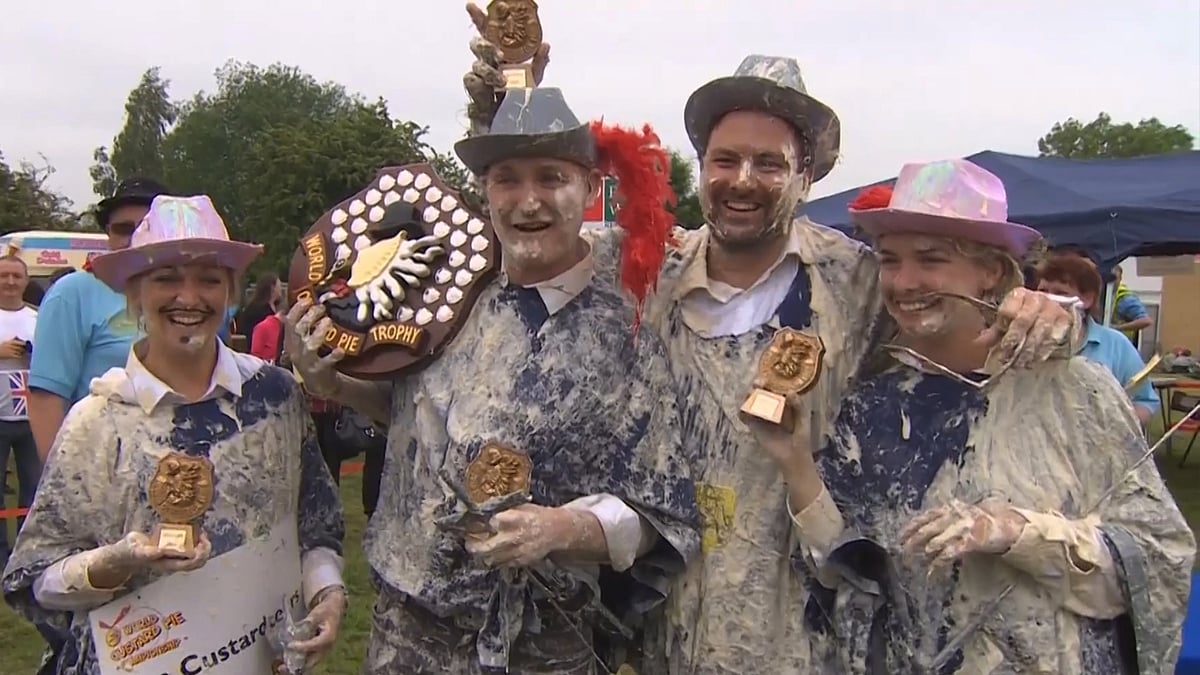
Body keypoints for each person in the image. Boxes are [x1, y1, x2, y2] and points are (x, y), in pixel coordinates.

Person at [462, 39, 1084, 673]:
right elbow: (533, 227)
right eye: (725, 159)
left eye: (770, 163)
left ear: (806, 174)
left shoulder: (860, 284)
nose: (743, 180)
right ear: (700, 166)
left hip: (805, 630)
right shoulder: (644, 271)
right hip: (666, 620)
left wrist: (1054, 316)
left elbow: (959, 317)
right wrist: (513, 101)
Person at [286, 87, 700, 674]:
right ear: (485, 191)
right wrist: (332, 384)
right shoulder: (444, 297)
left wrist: (560, 528)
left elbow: (661, 513)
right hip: (409, 633)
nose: (528, 200)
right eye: (508, 178)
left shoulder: (631, 325)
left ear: (587, 188)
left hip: (541, 644)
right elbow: (410, 416)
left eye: (550, 177)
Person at [762, 159, 1194, 673]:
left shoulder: (1077, 393)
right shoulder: (872, 404)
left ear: (990, 270)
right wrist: (795, 463)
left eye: (931, 259)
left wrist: (1016, 532)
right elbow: (845, 567)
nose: (904, 281)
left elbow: (1161, 558)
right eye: (891, 259)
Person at [2, 195, 348, 674]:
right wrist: (117, 560)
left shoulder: (275, 397)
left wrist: (327, 596)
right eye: (166, 278)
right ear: (135, 294)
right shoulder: (96, 423)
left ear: (229, 291)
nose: (189, 297)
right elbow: (37, 579)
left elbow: (317, 527)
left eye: (208, 279)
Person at [27, 178, 170, 461]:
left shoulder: (189, 295)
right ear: (108, 234)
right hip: (100, 468)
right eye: (122, 229)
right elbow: (46, 398)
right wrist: (64, 484)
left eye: (146, 228)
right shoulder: (73, 293)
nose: (134, 238)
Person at [1038, 253, 1160, 424]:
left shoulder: (1116, 345)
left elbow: (1144, 401)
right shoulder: (1025, 343)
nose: (1049, 299)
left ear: (1087, 299)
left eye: (1061, 292)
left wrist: (1113, 430)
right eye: (1043, 291)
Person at [0, 251, 40, 571]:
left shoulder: (38, 319)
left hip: (32, 417)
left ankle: (29, 552)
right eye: (4, 276)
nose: (10, 282)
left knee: (35, 486)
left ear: (26, 281)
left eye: (16, 276)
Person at [1110, 264, 1153, 347]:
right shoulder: (1105, 295)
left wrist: (1116, 328)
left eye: (1115, 278)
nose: (1112, 282)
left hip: (1121, 346)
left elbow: (1146, 321)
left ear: (1120, 279)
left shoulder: (1125, 299)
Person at [236, 272, 282, 349]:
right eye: (279, 285)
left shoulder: (276, 307)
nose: (280, 289)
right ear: (272, 287)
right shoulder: (256, 310)